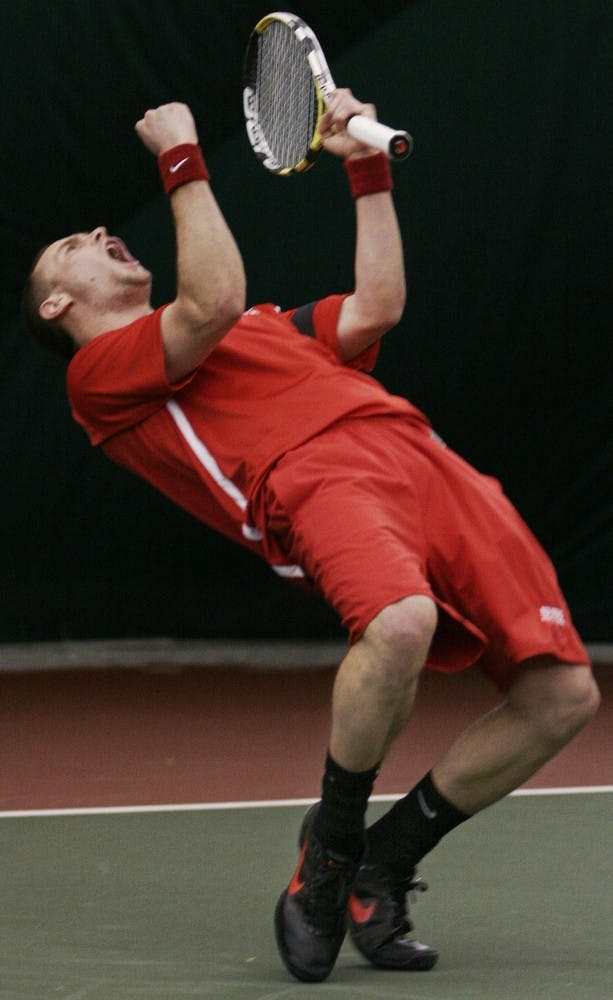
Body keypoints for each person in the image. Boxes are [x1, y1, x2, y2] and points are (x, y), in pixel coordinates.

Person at [22, 92, 599, 984]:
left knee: (563, 696)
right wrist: (180, 155)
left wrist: (363, 168)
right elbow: (209, 298)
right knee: (399, 623)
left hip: (422, 457)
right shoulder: (101, 377)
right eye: (72, 247)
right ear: (59, 302)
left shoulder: (258, 331)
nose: (99, 232)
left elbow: (377, 307)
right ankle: (327, 852)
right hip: (312, 476)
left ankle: (384, 860)